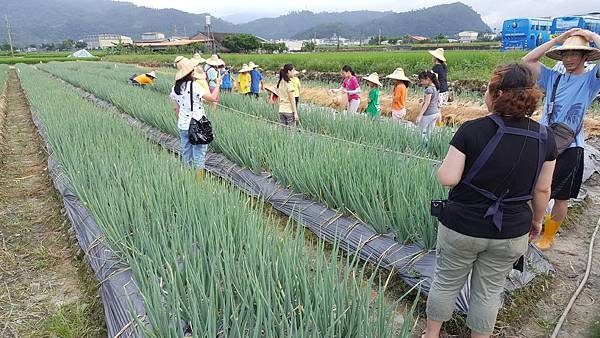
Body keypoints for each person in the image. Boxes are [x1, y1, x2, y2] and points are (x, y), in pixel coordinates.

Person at [424, 63, 557, 338]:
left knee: (447, 283)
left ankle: (431, 335)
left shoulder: (472, 130)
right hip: (511, 230)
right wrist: (536, 222)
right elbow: (543, 191)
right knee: (489, 292)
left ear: (496, 93)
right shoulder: (545, 137)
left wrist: (443, 166)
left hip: (463, 226)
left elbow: (448, 178)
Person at [522, 28, 600, 250]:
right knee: (533, 188)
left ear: (586, 56)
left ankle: (549, 235)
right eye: (565, 54)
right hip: (545, 141)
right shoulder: (553, 78)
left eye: (574, 54)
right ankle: (531, 228)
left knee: (562, 197)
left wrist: (591, 36)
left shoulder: (591, 81)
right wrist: (558, 40)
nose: (568, 59)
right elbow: (528, 60)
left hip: (571, 146)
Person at [169, 58, 221, 180]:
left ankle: (188, 178)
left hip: (183, 125)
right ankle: (199, 182)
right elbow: (213, 98)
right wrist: (218, 84)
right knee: (199, 155)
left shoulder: (175, 89)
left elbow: (176, 109)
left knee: (186, 153)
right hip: (197, 126)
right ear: (190, 73)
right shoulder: (194, 86)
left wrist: (182, 122)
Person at [416, 70, 441, 141]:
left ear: (428, 79)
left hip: (428, 114)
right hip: (435, 113)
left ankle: (422, 147)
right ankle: (430, 146)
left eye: (422, 81)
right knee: (430, 133)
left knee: (420, 132)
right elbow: (435, 100)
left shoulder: (429, 89)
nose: (421, 83)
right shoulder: (436, 87)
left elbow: (427, 103)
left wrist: (420, 115)